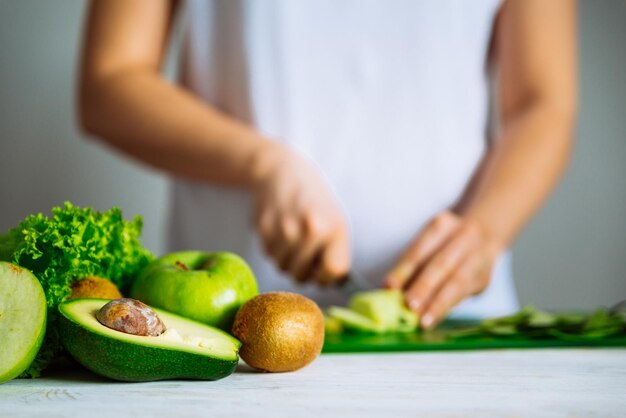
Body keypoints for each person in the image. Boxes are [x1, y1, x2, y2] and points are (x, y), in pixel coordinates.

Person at [78, 0, 577, 330]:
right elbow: (110, 79)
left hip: (455, 322)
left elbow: (542, 102)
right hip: (223, 335)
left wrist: (485, 232)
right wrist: (264, 165)